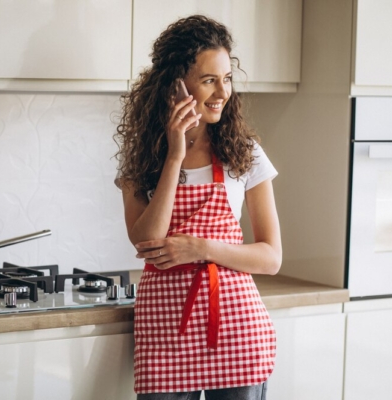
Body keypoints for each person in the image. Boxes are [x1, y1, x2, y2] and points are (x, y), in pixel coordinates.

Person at [114, 15, 282, 400]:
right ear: (174, 85)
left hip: (238, 329)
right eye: (209, 80)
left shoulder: (245, 154)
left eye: (227, 78)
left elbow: (271, 257)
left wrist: (200, 248)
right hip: (165, 333)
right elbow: (145, 241)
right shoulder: (144, 159)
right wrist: (175, 155)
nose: (222, 91)